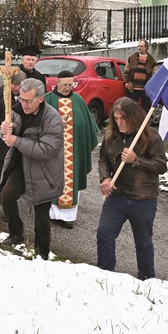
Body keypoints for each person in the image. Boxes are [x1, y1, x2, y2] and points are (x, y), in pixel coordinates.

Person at [97, 97, 167, 280]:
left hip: (143, 198)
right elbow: (103, 158)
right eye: (116, 118)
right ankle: (104, 275)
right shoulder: (111, 135)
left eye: (123, 119)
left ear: (134, 117)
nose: (119, 123)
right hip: (116, 196)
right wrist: (105, 178)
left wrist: (137, 160)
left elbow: (161, 166)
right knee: (104, 235)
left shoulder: (151, 137)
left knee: (143, 242)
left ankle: (147, 280)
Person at [0, 78, 64, 260]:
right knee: (7, 196)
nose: (24, 104)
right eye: (21, 99)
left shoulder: (52, 118)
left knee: (41, 217)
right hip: (21, 164)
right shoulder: (17, 111)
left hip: (44, 171)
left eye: (29, 101)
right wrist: (4, 130)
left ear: (41, 99)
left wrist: (17, 141)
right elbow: (6, 136)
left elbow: (46, 150)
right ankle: (16, 233)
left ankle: (42, 253)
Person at [44, 70, 99, 229]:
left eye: (71, 84)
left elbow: (88, 126)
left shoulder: (79, 100)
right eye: (65, 85)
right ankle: (51, 213)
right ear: (57, 83)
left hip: (74, 153)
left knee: (70, 179)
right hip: (53, 151)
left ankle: (67, 217)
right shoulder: (48, 100)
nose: (68, 88)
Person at [123, 39, 156, 112]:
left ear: (146, 47)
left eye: (141, 46)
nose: (139, 48)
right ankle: (133, 122)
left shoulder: (151, 60)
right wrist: (126, 82)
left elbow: (154, 74)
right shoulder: (132, 58)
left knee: (146, 107)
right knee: (132, 107)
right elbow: (126, 70)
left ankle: (146, 122)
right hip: (133, 88)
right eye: (138, 46)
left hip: (145, 88)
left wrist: (152, 86)